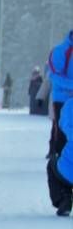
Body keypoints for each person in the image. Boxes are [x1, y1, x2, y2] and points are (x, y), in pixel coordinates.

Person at [46, 30, 73, 216]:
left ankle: (63, 194)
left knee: (64, 152)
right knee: (62, 140)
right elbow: (53, 75)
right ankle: (65, 196)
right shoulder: (61, 51)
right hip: (63, 99)